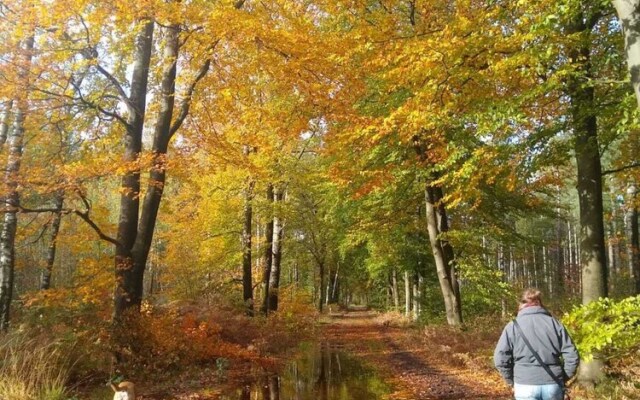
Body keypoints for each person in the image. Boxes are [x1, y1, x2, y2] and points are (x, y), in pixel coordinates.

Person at [494, 288, 579, 400]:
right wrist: (563, 377)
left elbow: (500, 359)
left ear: (521, 305)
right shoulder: (555, 324)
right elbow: (572, 356)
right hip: (553, 383)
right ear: (540, 303)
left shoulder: (513, 326)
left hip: (524, 383)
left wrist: (511, 381)